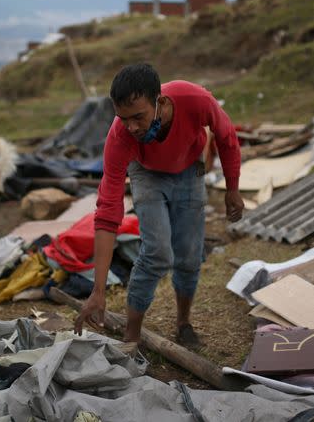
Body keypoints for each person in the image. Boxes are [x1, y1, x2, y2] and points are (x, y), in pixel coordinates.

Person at [73, 63, 244, 347]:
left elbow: (227, 137)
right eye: (123, 118)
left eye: (138, 116)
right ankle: (131, 334)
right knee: (157, 252)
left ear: (160, 102)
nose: (132, 127)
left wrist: (233, 188)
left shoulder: (195, 99)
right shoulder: (121, 136)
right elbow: (107, 212)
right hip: (147, 173)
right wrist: (98, 290)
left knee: (189, 255)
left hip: (191, 168)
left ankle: (183, 323)